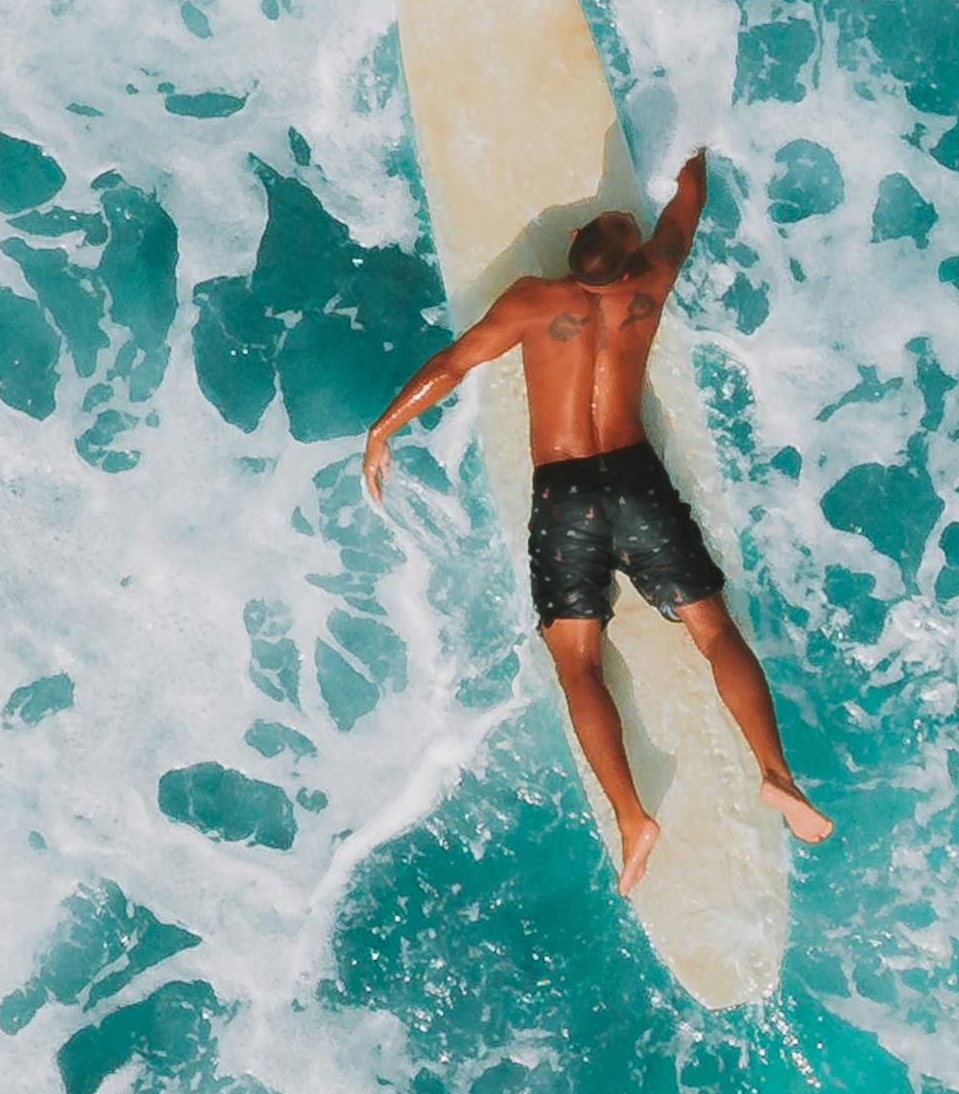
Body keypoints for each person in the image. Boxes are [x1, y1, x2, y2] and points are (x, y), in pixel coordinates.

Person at [350, 156, 830, 881]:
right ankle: (776, 772)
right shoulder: (652, 280)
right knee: (711, 630)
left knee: (578, 662)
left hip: (565, 493)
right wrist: (694, 152)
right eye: (621, 222)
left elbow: (452, 365)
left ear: (574, 243)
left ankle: (632, 820)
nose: (625, 219)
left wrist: (383, 429)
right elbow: (686, 207)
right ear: (625, 251)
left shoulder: (532, 302)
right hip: (636, 479)